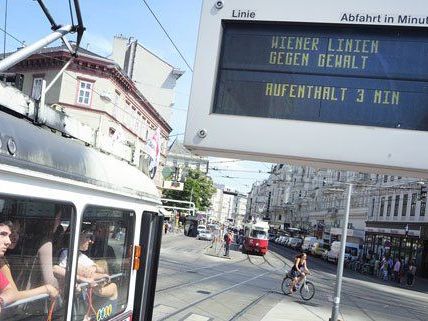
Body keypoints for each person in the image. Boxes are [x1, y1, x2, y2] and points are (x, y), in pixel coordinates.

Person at [0, 221, 58, 311]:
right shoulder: (2, 262)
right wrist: (46, 289)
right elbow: (15, 295)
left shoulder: (6, 258)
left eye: (17, 233)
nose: (11, 239)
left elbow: (11, 292)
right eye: (3, 234)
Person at [53, 231, 117, 300]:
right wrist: (86, 276)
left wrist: (95, 270)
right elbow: (57, 269)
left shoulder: (81, 255)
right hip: (74, 295)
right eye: (87, 237)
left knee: (103, 265)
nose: (90, 241)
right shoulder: (66, 253)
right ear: (77, 238)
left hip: (87, 292)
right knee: (114, 287)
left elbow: (99, 270)